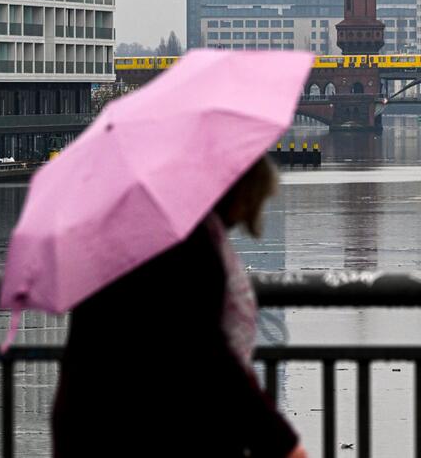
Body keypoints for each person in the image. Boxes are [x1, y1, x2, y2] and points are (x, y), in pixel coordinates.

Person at [53, 156, 307, 458]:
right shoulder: (187, 244)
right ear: (237, 192)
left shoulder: (136, 230)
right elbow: (206, 351)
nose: (247, 216)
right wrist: (280, 441)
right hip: (142, 429)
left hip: (90, 420)